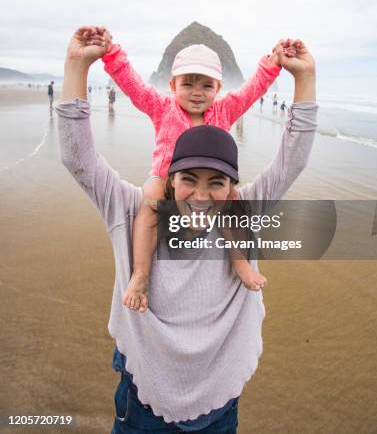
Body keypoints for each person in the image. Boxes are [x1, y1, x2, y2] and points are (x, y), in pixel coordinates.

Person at [56, 27, 317, 431]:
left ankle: (240, 263)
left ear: (232, 185)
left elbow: (292, 158)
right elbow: (79, 159)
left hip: (220, 401)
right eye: (188, 179)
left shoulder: (242, 211)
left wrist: (303, 77)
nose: (200, 195)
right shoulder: (133, 209)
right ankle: (140, 276)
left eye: (216, 182)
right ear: (170, 178)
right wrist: (78, 65)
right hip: (144, 398)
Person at [85, 28, 298, 311]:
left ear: (218, 89)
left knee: (232, 205)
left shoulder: (224, 111)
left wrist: (272, 64)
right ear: (173, 85)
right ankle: (141, 273)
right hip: (165, 178)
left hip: (209, 182)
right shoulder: (163, 108)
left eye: (207, 86)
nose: (197, 93)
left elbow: (251, 92)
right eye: (188, 84)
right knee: (150, 200)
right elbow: (133, 86)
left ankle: (239, 261)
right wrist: (112, 54)